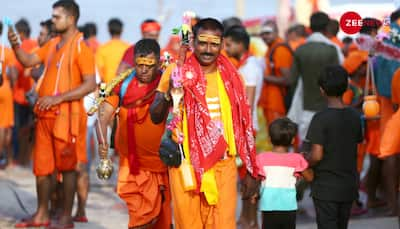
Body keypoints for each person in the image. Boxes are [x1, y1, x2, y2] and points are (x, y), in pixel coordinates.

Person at [150, 17, 259, 228]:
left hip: (224, 164)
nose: (208, 49)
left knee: (223, 224)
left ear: (222, 44)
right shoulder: (176, 71)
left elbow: (243, 125)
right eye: (203, 42)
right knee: (189, 224)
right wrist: (169, 93)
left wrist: (251, 170)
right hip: (186, 165)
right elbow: (155, 116)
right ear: (192, 42)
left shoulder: (233, 77)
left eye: (214, 44)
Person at [9, 1, 96, 228]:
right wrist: (15, 45)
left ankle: (66, 217)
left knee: (67, 169)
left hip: (66, 118)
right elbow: (28, 61)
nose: (54, 20)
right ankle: (41, 215)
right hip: (45, 117)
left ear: (71, 19)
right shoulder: (53, 44)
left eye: (57, 17)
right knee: (42, 169)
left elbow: (90, 84)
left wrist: (58, 98)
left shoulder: (82, 49)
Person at [96, 39, 171, 229]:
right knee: (140, 214)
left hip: (160, 164)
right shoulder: (122, 84)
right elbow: (103, 116)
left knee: (156, 217)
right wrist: (102, 141)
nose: (144, 70)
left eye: (149, 66)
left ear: (159, 63)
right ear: (134, 62)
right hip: (130, 163)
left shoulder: (168, 84)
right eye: (140, 65)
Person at [306, 65, 362, 229]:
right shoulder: (354, 116)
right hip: (348, 186)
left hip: (326, 188)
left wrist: (304, 159)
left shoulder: (320, 118)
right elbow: (356, 144)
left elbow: (316, 155)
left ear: (322, 90)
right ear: (346, 87)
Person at [223, 25, 263, 228]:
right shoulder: (247, 65)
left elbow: (246, 103)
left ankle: (252, 220)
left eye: (229, 44)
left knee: (249, 176)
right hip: (244, 127)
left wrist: (240, 132)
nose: (226, 48)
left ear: (240, 44)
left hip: (246, 127)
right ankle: (246, 218)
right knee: (246, 175)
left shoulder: (250, 68)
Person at [257, 118, 313, 229]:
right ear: (292, 140)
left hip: (268, 207)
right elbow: (309, 177)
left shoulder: (261, 158)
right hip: (288, 207)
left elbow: (256, 178)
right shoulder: (297, 159)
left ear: (269, 139)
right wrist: (305, 163)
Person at [12, 18, 38, 166]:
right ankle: (29, 157)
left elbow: (15, 70)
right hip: (34, 95)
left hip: (21, 96)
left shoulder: (22, 47)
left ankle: (18, 158)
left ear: (21, 33)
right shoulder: (36, 45)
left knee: (19, 129)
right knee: (32, 129)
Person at [259, 20, 293, 124]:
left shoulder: (280, 50)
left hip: (279, 102)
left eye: (268, 33)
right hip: (272, 101)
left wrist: (263, 77)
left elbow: (288, 80)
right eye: (263, 34)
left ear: (276, 32)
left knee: (279, 136)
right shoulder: (271, 48)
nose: (265, 36)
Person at [0, 22, 18, 168]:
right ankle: (4, 157)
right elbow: (13, 73)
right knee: (5, 126)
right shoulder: (6, 51)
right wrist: (11, 85)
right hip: (4, 88)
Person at [96, 18, 129, 83]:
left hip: (108, 88)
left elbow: (99, 72)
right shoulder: (128, 48)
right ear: (122, 30)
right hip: (124, 88)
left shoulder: (102, 49)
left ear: (108, 30)